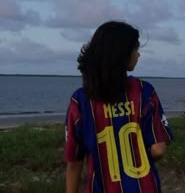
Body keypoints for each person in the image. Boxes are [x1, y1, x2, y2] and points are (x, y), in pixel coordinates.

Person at [64, 21, 173, 193]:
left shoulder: (80, 100)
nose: (138, 55)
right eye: (135, 49)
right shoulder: (144, 92)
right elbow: (158, 149)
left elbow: (74, 161)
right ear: (121, 54)